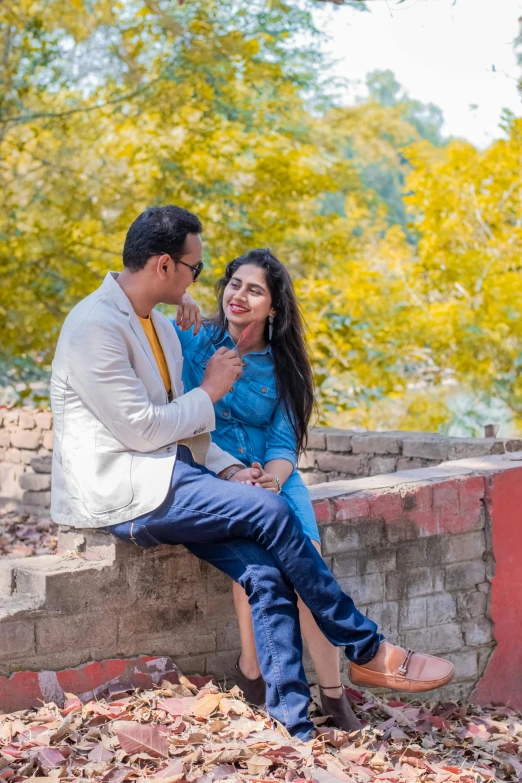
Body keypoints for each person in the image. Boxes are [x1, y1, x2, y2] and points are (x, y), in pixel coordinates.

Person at [50, 205, 454, 742]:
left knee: (263, 572)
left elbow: (189, 436)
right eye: (196, 270)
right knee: (271, 509)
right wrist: (211, 391)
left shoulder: (161, 330)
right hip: (124, 490)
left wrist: (233, 469)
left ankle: (294, 724)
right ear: (165, 266)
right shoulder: (94, 327)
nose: (204, 282)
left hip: (176, 474)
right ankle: (368, 649)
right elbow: (144, 431)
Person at [173, 249, 361, 731]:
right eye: (234, 284)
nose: (239, 295)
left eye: (254, 289)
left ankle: (334, 697)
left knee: (308, 574)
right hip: (214, 472)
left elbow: (282, 443)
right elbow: (171, 397)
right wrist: (179, 305)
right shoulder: (194, 338)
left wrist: (272, 480)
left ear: (273, 306)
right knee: (256, 566)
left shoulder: (283, 368)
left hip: (274, 477)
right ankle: (253, 672)